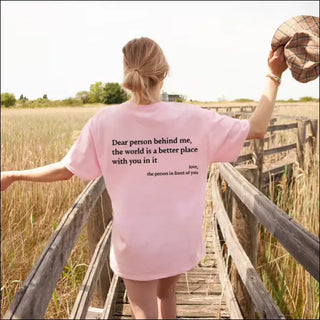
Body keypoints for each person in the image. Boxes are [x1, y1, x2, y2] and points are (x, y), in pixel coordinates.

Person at [1, 37, 287, 319]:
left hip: (136, 245)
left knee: (145, 310)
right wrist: (274, 74)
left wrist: (14, 175)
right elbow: (257, 128)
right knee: (167, 295)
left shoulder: (104, 122)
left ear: (127, 72)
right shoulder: (197, 119)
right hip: (180, 240)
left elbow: (66, 170)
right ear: (163, 74)